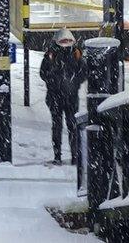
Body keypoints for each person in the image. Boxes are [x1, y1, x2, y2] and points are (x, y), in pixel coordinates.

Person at [40, 28, 85, 165]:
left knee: (58, 125)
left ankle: (59, 156)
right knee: (71, 125)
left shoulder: (51, 54)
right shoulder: (76, 53)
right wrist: (73, 82)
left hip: (56, 96)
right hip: (69, 96)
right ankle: (74, 156)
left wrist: (53, 81)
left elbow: (43, 73)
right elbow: (83, 72)